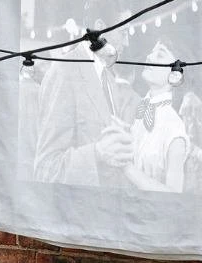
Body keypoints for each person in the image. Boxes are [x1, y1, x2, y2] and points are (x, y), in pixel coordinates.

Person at [32, 19, 137, 186]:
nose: (127, 42)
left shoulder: (109, 78)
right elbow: (45, 170)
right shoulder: (64, 71)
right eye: (123, 32)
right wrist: (97, 153)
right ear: (101, 27)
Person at [125, 41, 188, 194]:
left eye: (160, 55)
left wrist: (127, 168)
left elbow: (174, 195)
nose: (149, 56)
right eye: (151, 52)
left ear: (174, 76)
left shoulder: (174, 127)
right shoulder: (135, 110)